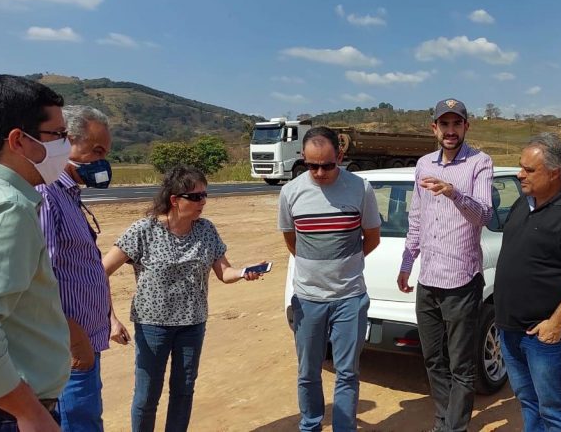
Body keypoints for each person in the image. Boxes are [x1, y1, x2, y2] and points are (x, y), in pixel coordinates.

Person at [102, 165, 264, 432]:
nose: (203, 202)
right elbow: (100, 272)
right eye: (196, 196)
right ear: (175, 200)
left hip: (193, 324)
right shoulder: (143, 230)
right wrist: (110, 318)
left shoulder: (206, 230)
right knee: (147, 396)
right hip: (152, 326)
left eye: (205, 195)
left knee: (183, 391)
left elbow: (224, 272)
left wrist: (245, 272)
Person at [494, 133, 561, 431]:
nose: (520, 175)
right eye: (521, 167)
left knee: (554, 410)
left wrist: (556, 323)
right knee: (528, 401)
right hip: (511, 330)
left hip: (545, 337)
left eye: (529, 170)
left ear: (555, 173)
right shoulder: (522, 204)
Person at [397, 98, 493, 432]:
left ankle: (455, 427)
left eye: (457, 124)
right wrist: (407, 263)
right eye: (444, 124)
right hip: (429, 280)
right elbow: (416, 218)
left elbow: (484, 214)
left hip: (462, 282)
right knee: (433, 359)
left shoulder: (480, 163)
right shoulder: (424, 164)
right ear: (434, 128)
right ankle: (443, 419)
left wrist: (454, 192)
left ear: (467, 126)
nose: (450, 131)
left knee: (461, 365)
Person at [279, 126, 381, 431]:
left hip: (349, 299)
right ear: (303, 159)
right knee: (308, 372)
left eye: (327, 164)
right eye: (312, 166)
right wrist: (316, 269)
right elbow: (291, 240)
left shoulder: (360, 189)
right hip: (308, 301)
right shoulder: (290, 192)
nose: (320, 173)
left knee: (347, 373)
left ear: (340, 155)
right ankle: (310, 425)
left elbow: (372, 238)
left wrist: (343, 267)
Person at [0, 75, 71, 431]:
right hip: (10, 410)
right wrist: (29, 412)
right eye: (58, 135)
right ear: (18, 141)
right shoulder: (11, 208)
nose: (66, 146)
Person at [35, 105, 114, 431]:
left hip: (83, 344)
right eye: (95, 150)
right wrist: (77, 344)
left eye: (105, 152)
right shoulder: (46, 194)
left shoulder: (68, 194)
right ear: (64, 143)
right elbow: (40, 282)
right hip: (68, 351)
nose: (101, 160)